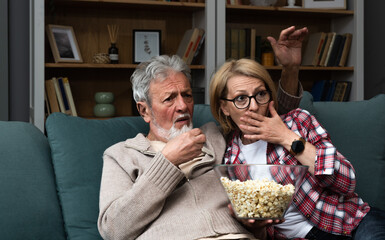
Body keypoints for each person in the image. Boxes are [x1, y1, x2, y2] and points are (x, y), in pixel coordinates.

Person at [97, 26, 308, 240]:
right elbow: (113, 229)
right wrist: (167, 161)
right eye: (169, 98)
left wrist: (290, 69)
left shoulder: (217, 136)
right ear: (144, 110)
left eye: (187, 95)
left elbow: (273, 118)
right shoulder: (121, 156)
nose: (183, 106)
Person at [209, 58, 385, 240]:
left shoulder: (297, 122)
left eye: (260, 94)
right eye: (241, 98)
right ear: (224, 108)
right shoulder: (228, 158)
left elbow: (347, 181)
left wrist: (285, 137)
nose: (254, 106)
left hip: (352, 222)